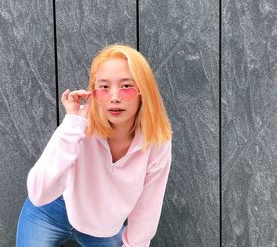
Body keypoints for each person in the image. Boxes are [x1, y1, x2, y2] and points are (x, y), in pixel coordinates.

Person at [16, 44, 173, 247]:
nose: (114, 97)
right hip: (50, 209)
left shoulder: (157, 141)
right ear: (93, 92)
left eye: (126, 86)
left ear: (143, 91)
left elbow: (148, 207)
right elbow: (39, 193)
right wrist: (73, 124)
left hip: (103, 226)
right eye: (104, 87)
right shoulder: (79, 124)